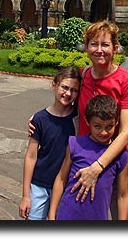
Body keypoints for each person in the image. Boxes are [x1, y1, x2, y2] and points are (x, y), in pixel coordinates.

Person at [29, 20, 128, 220]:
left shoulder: (127, 81)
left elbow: (125, 133)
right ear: (86, 47)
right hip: (84, 163)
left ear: (115, 48)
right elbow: (66, 101)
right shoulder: (83, 76)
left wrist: (98, 167)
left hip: (120, 166)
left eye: (105, 45)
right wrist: (38, 118)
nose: (99, 50)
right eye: (94, 44)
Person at [48, 95, 128, 220]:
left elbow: (123, 196)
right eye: (97, 126)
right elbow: (61, 178)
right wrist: (52, 213)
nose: (103, 132)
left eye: (109, 126)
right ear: (87, 121)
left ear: (116, 122)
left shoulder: (121, 156)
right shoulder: (75, 144)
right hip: (67, 215)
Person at [19, 66, 81, 220]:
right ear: (54, 85)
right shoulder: (40, 119)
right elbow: (31, 156)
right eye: (64, 87)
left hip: (65, 186)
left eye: (74, 90)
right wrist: (26, 196)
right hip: (39, 185)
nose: (68, 93)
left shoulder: (78, 118)